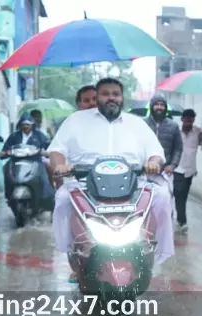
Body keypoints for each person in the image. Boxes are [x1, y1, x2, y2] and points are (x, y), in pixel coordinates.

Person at [48, 77, 175, 282]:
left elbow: (155, 152)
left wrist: (153, 162)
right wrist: (60, 165)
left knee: (162, 196)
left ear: (122, 98)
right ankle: (72, 252)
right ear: (97, 96)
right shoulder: (75, 120)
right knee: (63, 198)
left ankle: (150, 249)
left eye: (115, 94)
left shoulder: (136, 123)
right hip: (84, 184)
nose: (111, 98)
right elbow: (56, 150)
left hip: (133, 183)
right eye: (105, 94)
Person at [0, 114, 53, 202]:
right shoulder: (14, 136)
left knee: (44, 174)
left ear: (32, 125)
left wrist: (46, 152)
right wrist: (4, 153)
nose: (25, 126)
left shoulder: (39, 135)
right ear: (20, 125)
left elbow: (48, 147)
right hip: (16, 161)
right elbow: (6, 149)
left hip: (35, 161)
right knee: (6, 169)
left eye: (28, 124)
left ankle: (46, 196)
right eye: (23, 124)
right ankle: (9, 195)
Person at [172, 109, 202, 233]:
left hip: (190, 170)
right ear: (182, 119)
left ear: (193, 120)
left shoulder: (198, 132)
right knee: (178, 193)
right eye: (186, 118)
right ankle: (182, 221)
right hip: (177, 168)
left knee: (183, 196)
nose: (189, 121)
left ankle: (179, 218)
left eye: (191, 119)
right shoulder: (176, 132)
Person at [144, 92, 183, 175]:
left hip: (165, 172)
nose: (159, 107)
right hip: (145, 170)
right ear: (151, 106)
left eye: (162, 105)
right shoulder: (143, 124)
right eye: (156, 104)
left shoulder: (173, 125)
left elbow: (178, 148)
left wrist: (172, 165)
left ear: (165, 107)